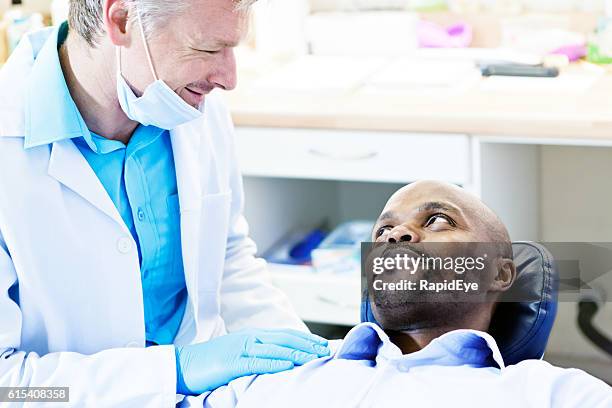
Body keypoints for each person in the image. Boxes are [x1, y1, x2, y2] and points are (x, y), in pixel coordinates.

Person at [0, 0, 329, 404]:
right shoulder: (8, 146)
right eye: (209, 49)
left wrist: (303, 365)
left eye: (232, 48)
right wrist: (174, 371)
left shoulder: (187, 106)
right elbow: (7, 384)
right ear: (120, 20)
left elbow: (225, 258)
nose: (228, 78)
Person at [182, 180, 612, 408]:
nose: (397, 235)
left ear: (501, 274)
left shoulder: (552, 394)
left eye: (439, 221)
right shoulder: (279, 374)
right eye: (383, 230)